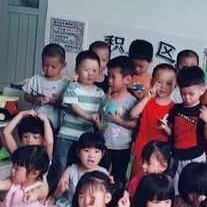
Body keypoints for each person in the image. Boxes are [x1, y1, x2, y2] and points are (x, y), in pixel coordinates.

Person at [52, 50, 104, 182]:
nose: (90, 74)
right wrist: (89, 118)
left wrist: (99, 123)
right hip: (67, 135)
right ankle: (57, 190)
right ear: (76, 70)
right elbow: (73, 107)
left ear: (99, 72)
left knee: (80, 168)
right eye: (86, 70)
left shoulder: (100, 92)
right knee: (61, 165)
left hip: (86, 140)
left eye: (94, 70)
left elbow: (101, 113)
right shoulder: (73, 87)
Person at [46, 132, 109, 207]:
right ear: (78, 152)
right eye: (86, 150)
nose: (91, 155)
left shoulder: (103, 173)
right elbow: (56, 196)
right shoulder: (71, 169)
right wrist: (60, 189)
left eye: (96, 151)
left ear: (102, 154)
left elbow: (106, 200)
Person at [164, 65, 207, 188]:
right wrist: (165, 128)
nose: (187, 97)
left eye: (191, 94)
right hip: (176, 156)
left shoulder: (203, 110)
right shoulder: (176, 109)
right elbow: (173, 133)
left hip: (196, 157)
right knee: (175, 188)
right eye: (183, 93)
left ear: (202, 90)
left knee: (193, 188)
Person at [129, 63, 177, 178]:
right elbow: (132, 114)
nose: (163, 87)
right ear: (152, 82)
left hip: (161, 158)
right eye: (159, 82)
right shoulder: (147, 101)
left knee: (156, 186)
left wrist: (166, 129)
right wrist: (147, 97)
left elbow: (174, 134)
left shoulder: (175, 108)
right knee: (136, 183)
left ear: (175, 86)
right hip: (142, 152)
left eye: (169, 83)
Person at [96, 55, 138, 183]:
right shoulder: (105, 97)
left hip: (122, 146)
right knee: (100, 173)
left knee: (118, 176)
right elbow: (101, 117)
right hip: (103, 144)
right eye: (109, 76)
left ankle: (117, 194)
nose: (109, 80)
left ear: (127, 79)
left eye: (113, 77)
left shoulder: (131, 101)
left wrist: (119, 121)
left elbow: (135, 124)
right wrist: (98, 123)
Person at [22, 43, 68, 131]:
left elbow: (67, 106)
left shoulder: (66, 83)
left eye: (53, 67)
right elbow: (26, 97)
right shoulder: (36, 79)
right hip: (35, 122)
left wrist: (53, 101)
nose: (49, 69)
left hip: (54, 124)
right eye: (45, 65)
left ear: (63, 66)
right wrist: (35, 99)